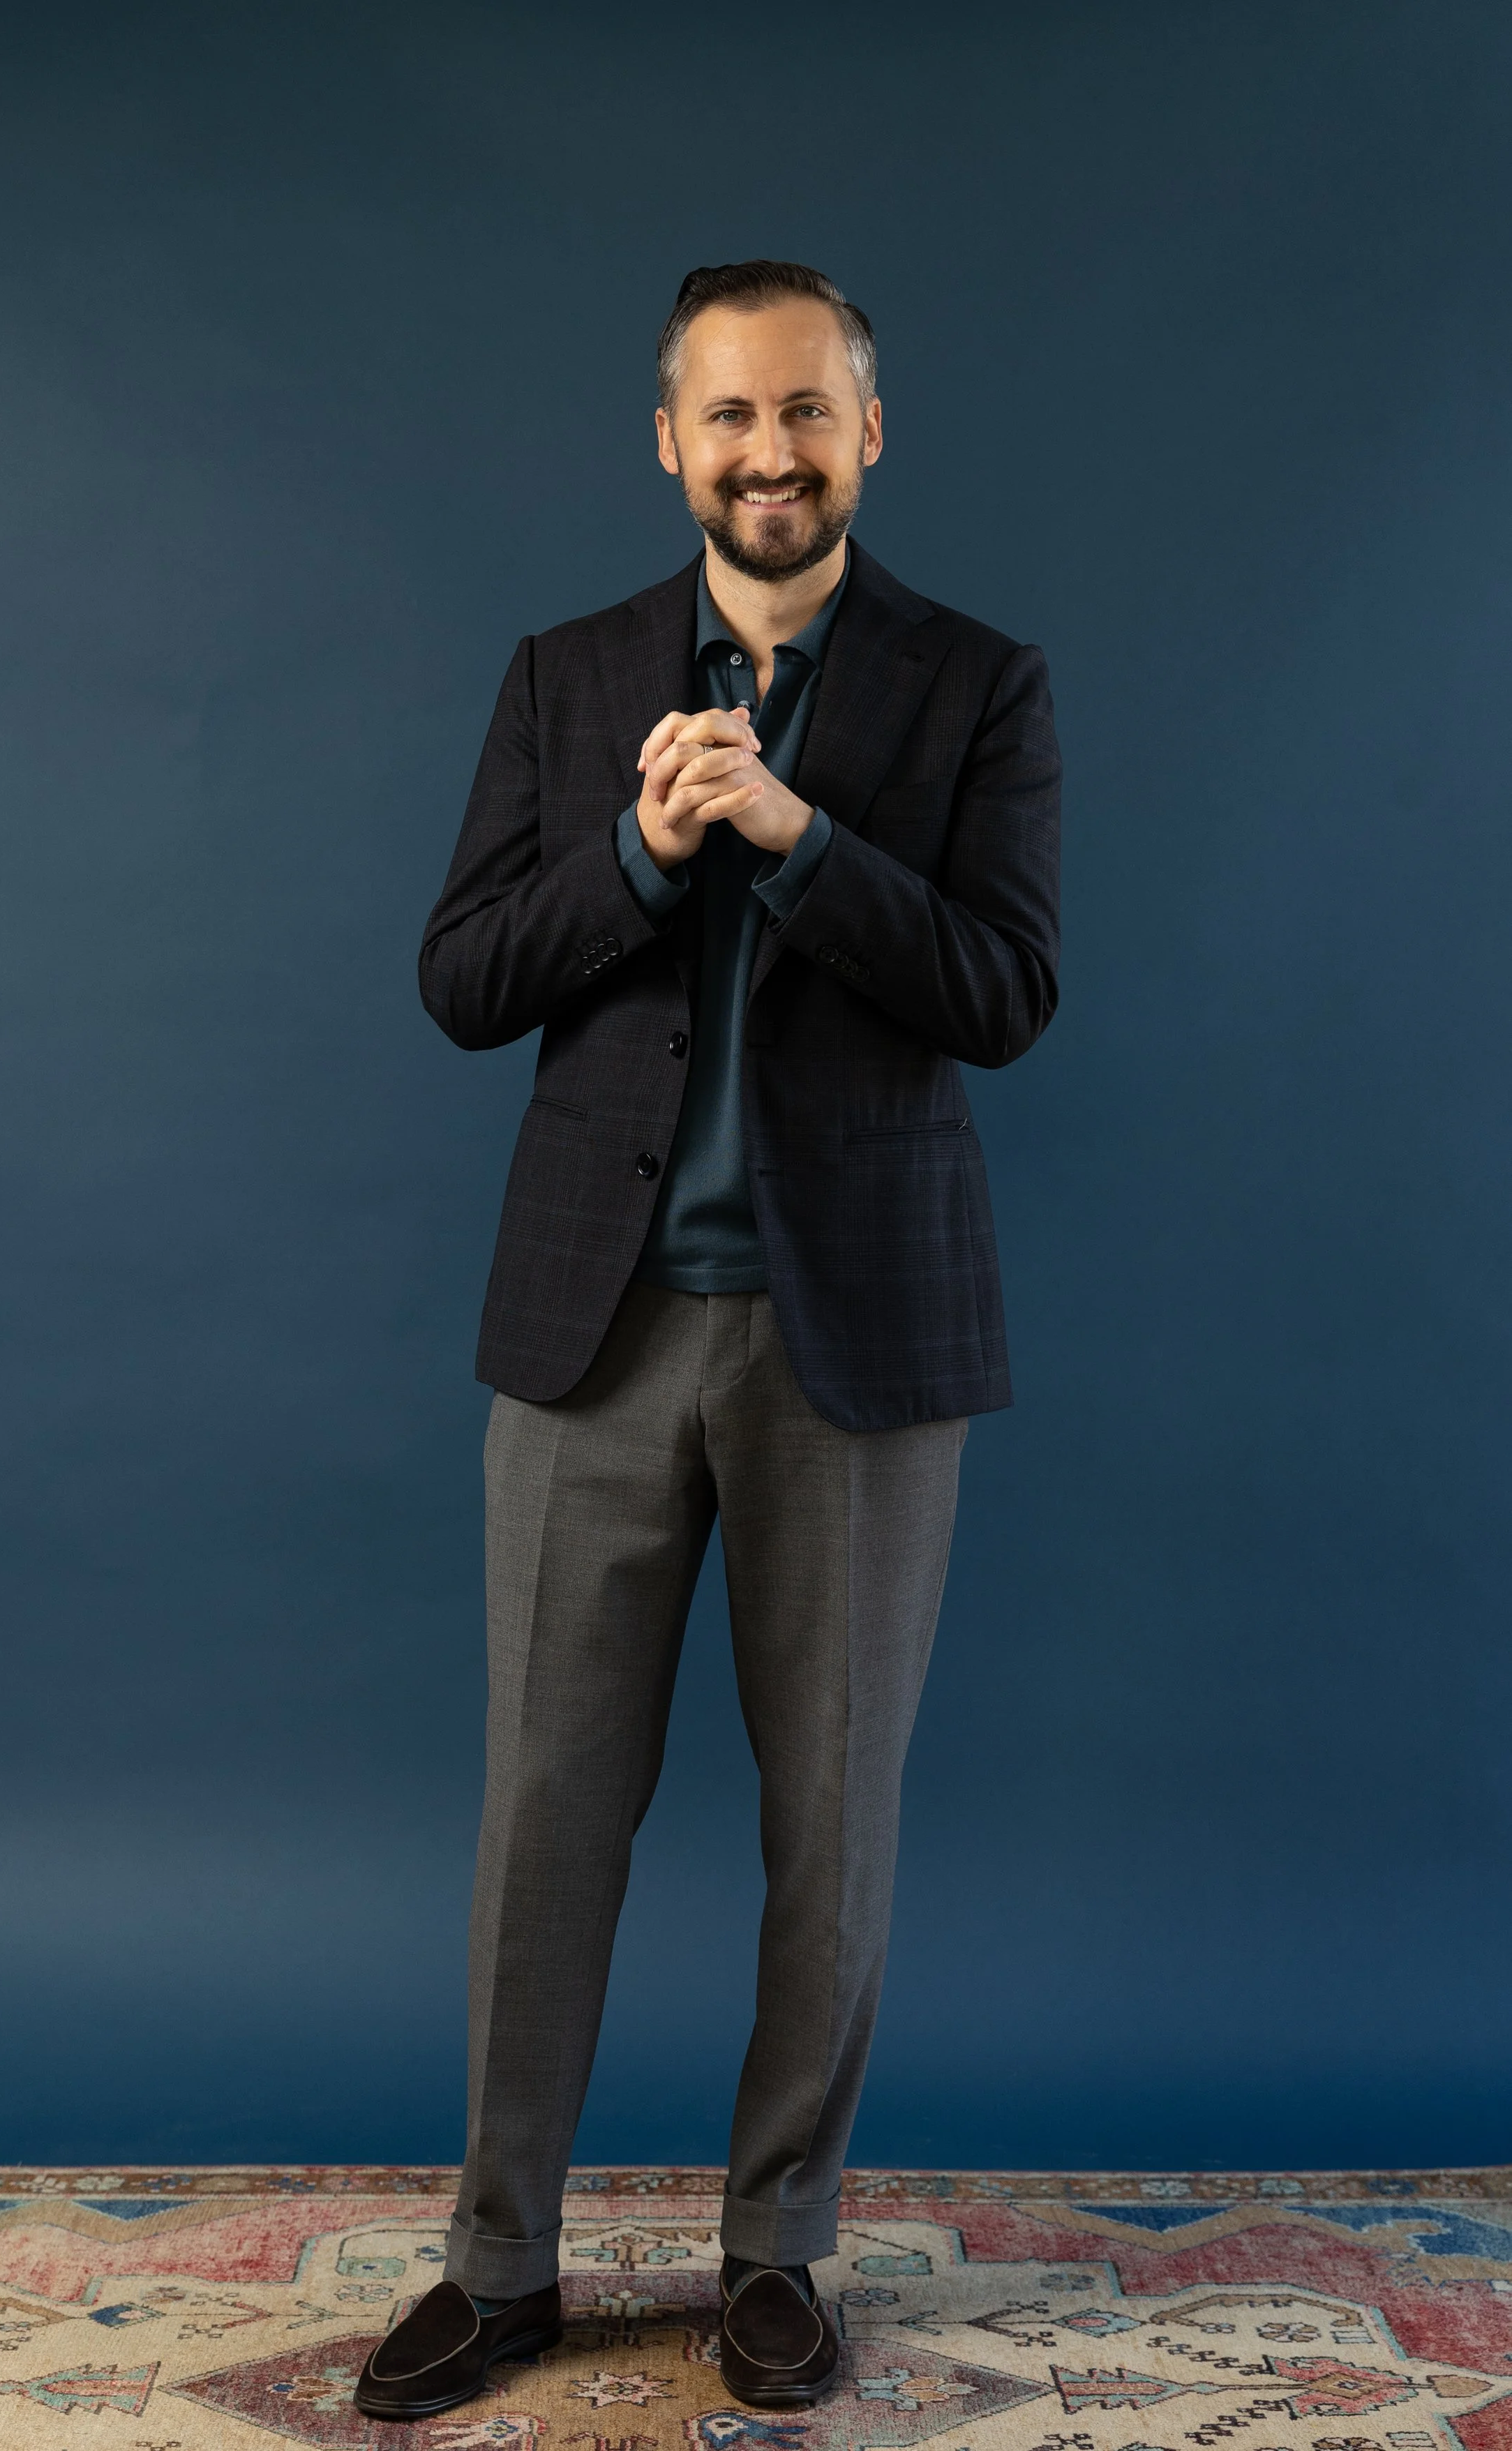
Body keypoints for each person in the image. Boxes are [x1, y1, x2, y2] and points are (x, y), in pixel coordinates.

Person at [355, 260, 1061, 2423]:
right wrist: (647, 855)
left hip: (859, 1347)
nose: (770, 453)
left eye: (807, 412)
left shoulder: (977, 685)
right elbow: (463, 978)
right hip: (593, 1335)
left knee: (829, 1827)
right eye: (730, 416)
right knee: (543, 1817)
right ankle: (500, 2265)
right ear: (668, 442)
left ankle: (780, 2252)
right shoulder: (564, 679)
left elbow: (1004, 992)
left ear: (869, 433)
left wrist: (801, 841)